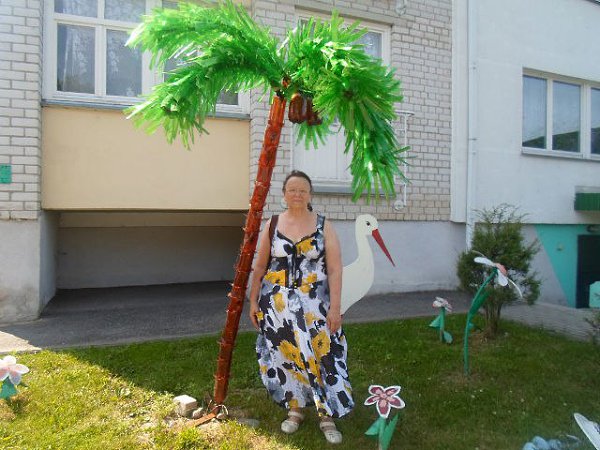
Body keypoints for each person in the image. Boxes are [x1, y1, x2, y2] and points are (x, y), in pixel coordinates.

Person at [248, 170, 354, 445]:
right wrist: (253, 300)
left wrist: (335, 308)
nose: (297, 194)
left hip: (315, 305)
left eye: (302, 190)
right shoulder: (272, 224)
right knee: (287, 356)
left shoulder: (323, 225)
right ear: (284, 194)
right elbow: (259, 267)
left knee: (322, 354)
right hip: (277, 307)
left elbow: (335, 269)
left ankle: (326, 414)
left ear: (310, 195)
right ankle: (295, 409)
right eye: (292, 190)